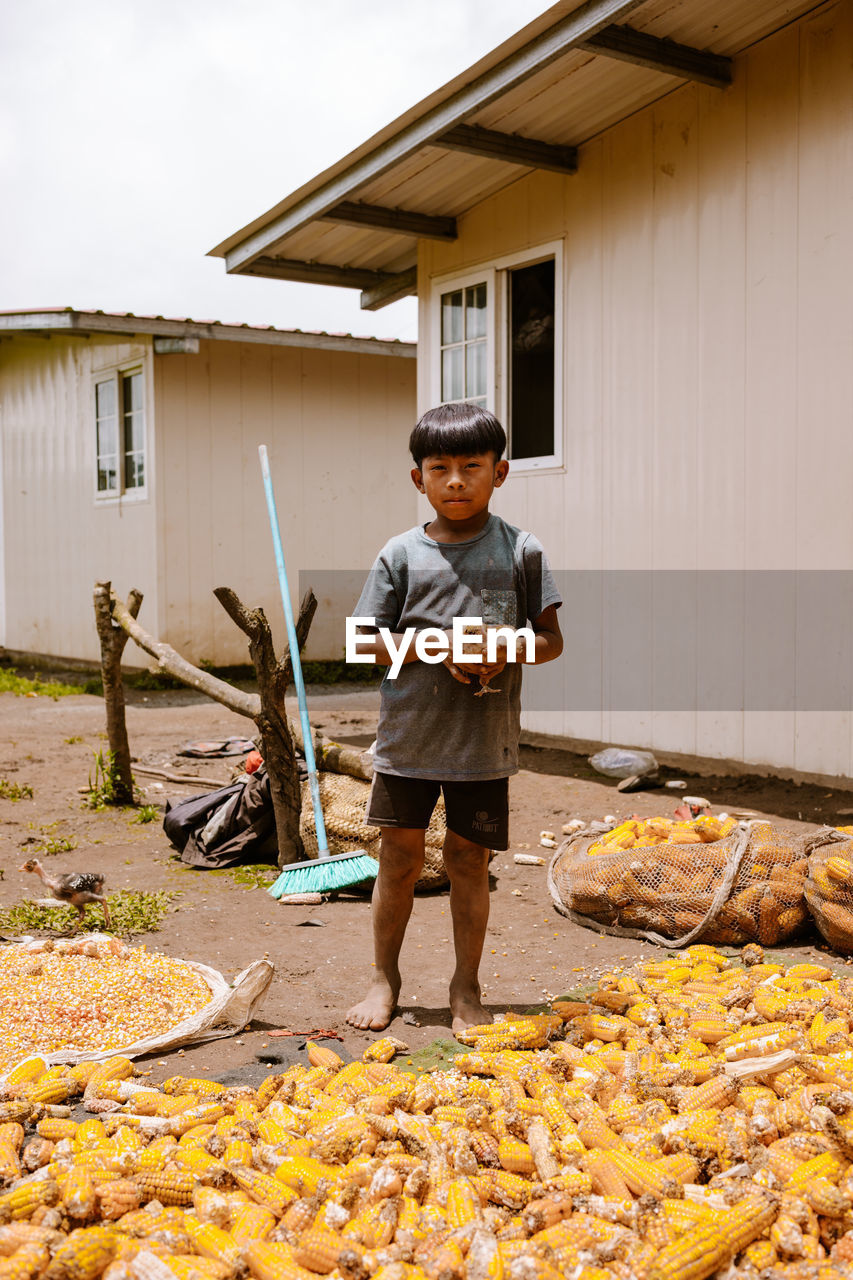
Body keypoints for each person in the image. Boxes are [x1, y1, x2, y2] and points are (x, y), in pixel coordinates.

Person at [347, 401, 563, 1032]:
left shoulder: (521, 551)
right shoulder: (400, 554)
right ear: (419, 479)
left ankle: (466, 986)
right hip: (409, 738)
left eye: (473, 466)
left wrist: (503, 647)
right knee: (399, 858)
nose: (456, 480)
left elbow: (550, 640)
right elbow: (363, 641)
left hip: (482, 742)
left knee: (470, 861)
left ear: (500, 473)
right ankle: (383, 979)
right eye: (439, 468)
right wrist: (439, 648)